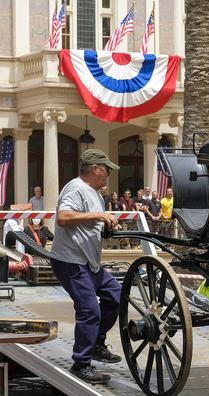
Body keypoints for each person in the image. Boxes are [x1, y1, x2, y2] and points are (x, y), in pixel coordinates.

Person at [50, 149, 123, 384]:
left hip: (89, 262)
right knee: (90, 310)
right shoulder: (75, 188)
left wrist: (106, 225)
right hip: (71, 261)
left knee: (116, 296)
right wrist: (98, 216)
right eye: (107, 170)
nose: (109, 174)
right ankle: (81, 364)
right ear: (96, 169)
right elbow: (63, 218)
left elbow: (88, 224)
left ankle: (97, 344)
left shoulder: (94, 194)